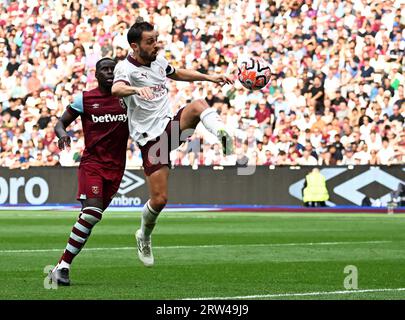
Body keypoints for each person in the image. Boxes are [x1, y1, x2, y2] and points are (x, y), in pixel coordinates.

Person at [111, 18, 234, 267]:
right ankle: (143, 235)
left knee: (199, 105)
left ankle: (222, 133)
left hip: (169, 128)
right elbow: (116, 89)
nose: (156, 45)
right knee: (159, 200)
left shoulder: (157, 61)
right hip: (151, 141)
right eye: (150, 41)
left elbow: (176, 73)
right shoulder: (126, 68)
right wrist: (135, 90)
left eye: (156, 39)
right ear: (135, 46)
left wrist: (210, 78)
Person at [49, 58, 129, 286]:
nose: (110, 72)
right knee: (93, 213)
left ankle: (60, 267)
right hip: (93, 164)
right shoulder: (84, 99)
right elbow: (59, 123)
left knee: (89, 219)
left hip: (116, 168)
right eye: (105, 69)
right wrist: (62, 134)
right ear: (96, 74)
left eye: (113, 69)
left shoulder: (126, 99)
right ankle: (62, 266)